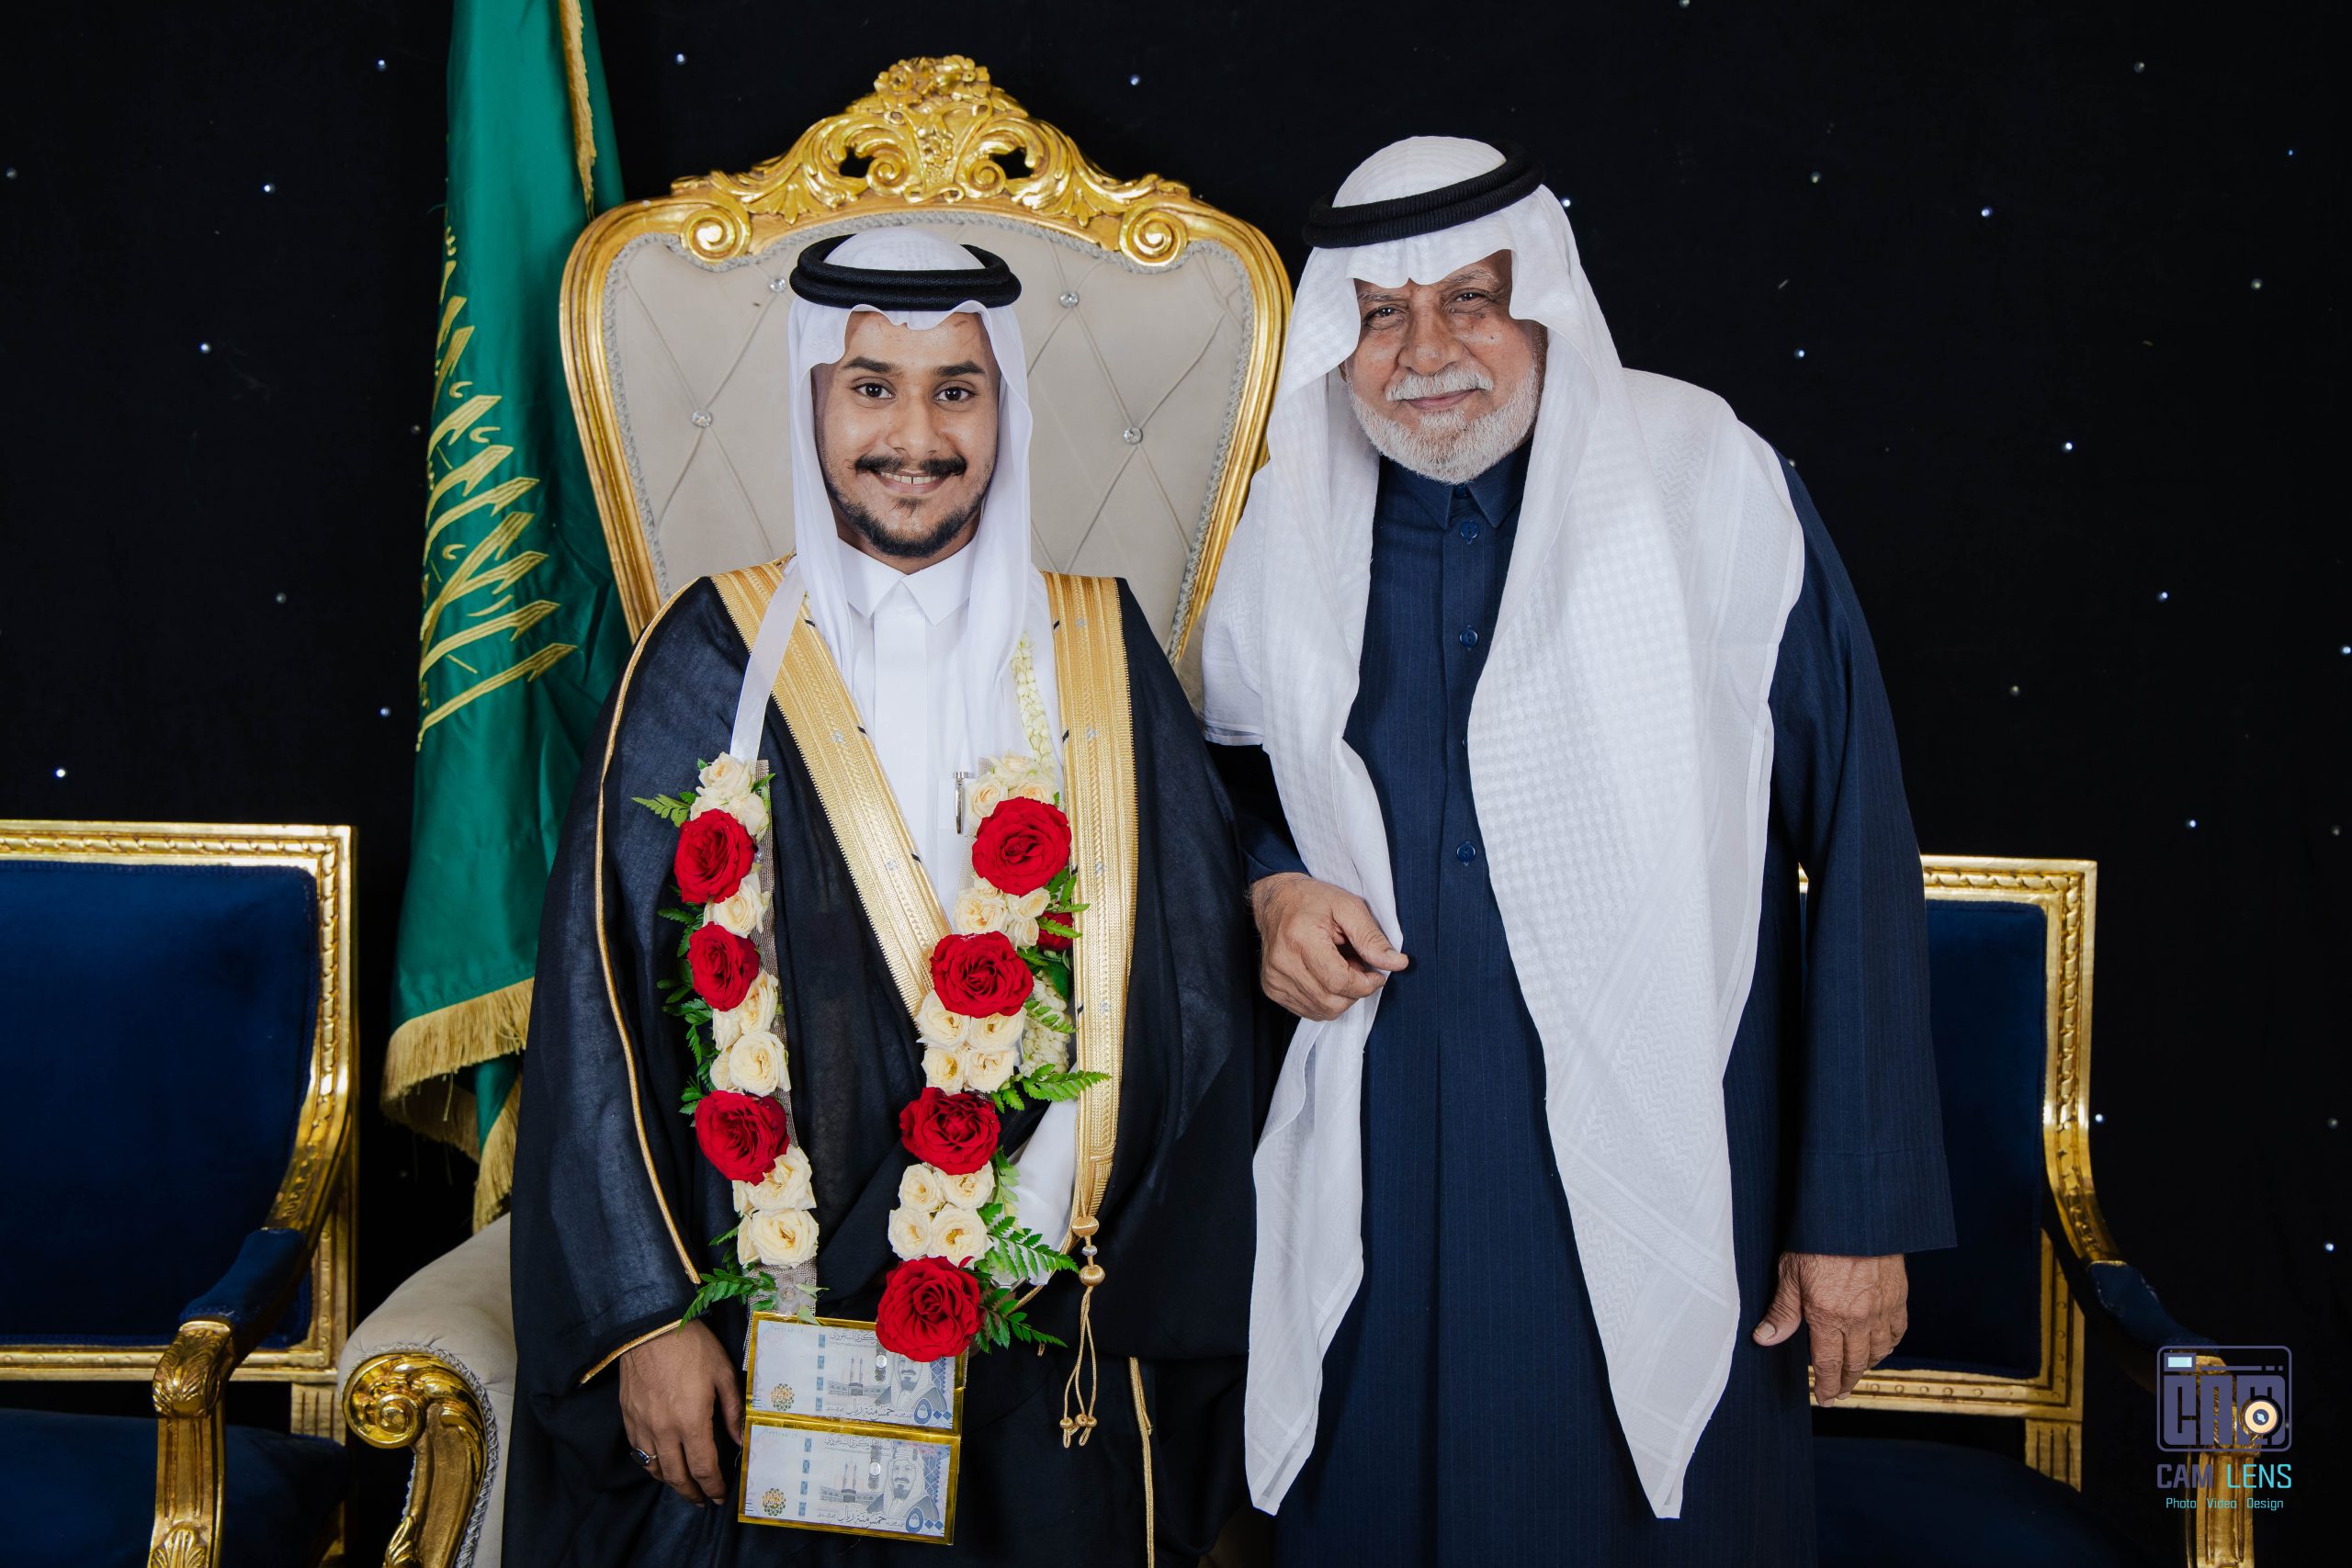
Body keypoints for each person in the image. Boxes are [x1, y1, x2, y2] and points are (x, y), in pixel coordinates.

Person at [1200, 138, 1955, 1565]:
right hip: (1383, 1158)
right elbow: (1218, 772)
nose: (1427, 353)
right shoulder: (1286, 514)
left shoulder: (1704, 479)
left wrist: (1855, 1214)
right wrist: (1272, 884)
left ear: (1543, 303)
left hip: (1685, 1142)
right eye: (1381, 315)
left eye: (1472, 302)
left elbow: (1859, 834)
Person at [506, 228, 1265, 1566]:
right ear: (813, 400)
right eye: (871, 388)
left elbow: (1192, 987)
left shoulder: (1098, 649)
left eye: (955, 391)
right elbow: (594, 1004)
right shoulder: (706, 654)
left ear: (1002, 407)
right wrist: (648, 1319)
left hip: (1037, 1325)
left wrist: (1020, 1229)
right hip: (761, 1328)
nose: (915, 436)